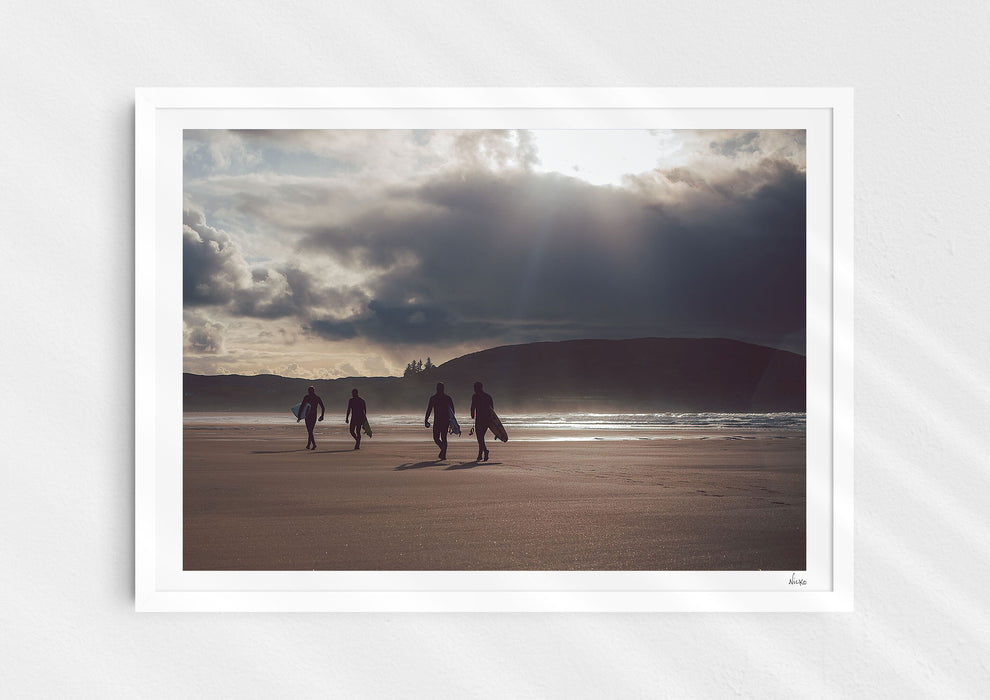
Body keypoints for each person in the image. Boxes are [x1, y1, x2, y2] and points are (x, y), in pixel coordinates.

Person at [424, 382, 455, 460]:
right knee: (441, 438)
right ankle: (443, 451)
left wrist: (426, 420)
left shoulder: (435, 398)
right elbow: (453, 411)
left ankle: (443, 452)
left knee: (438, 438)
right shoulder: (446, 398)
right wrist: (451, 420)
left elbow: (429, 410)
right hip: (443, 420)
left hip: (439, 421)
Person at [470, 381, 494, 461]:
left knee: (480, 437)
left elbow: (473, 406)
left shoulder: (475, 396)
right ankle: (480, 455)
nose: (474, 389)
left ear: (478, 388)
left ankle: (485, 451)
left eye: (475, 388)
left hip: (479, 419)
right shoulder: (488, 396)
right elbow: (492, 409)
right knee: (481, 437)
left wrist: (472, 414)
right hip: (487, 420)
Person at [297, 386, 325, 450]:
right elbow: (323, 407)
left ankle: (314, 444)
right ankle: (308, 444)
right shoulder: (317, 398)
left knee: (310, 430)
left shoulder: (307, 397)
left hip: (308, 416)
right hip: (313, 416)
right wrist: (322, 415)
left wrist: (299, 416)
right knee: (310, 430)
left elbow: (302, 406)